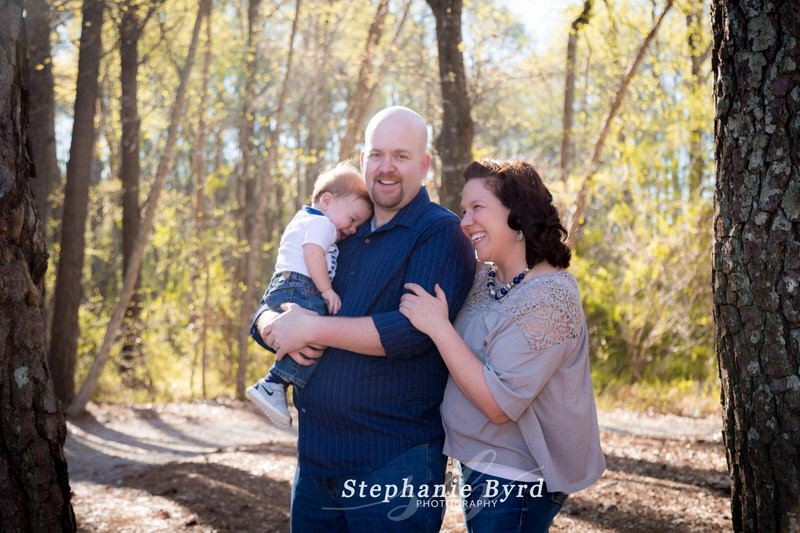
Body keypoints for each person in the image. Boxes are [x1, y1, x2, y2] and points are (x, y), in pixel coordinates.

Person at [251, 106, 476, 531]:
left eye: (401, 156)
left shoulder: (439, 232)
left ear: (424, 165)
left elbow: (414, 334)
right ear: (362, 160)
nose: (386, 168)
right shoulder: (342, 228)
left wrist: (313, 328)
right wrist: (268, 325)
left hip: (394, 463)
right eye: (376, 154)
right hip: (316, 460)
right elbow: (282, 294)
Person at [398, 159, 606, 532]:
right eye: (464, 210)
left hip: (516, 481)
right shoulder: (487, 276)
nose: (464, 221)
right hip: (479, 465)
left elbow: (498, 404)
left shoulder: (549, 299)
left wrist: (438, 327)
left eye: (478, 208)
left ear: (519, 217)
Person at [246, 162, 372, 429]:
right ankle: (273, 385)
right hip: (302, 285)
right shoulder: (322, 224)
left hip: (285, 284)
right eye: (351, 220)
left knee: (306, 338)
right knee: (315, 335)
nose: (350, 230)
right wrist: (326, 290)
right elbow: (312, 254)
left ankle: (275, 385)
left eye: (356, 227)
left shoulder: (305, 218)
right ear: (326, 201)